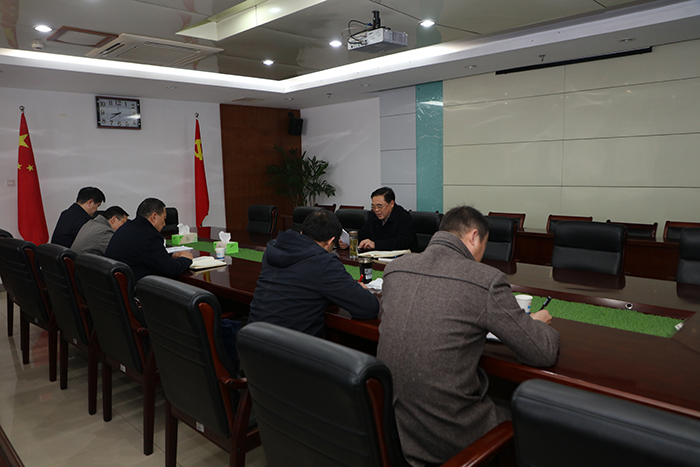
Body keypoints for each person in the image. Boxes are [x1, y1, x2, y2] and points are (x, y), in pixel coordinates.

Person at [377, 205, 560, 467]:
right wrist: (540, 325)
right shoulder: (485, 279)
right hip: (449, 434)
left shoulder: (396, 269)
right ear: (474, 236)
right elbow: (542, 352)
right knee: (535, 421)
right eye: (484, 246)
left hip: (395, 427)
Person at [248, 209, 379, 337]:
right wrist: (354, 289)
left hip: (251, 340)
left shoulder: (274, 249)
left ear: (301, 232)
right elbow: (368, 308)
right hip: (291, 347)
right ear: (330, 242)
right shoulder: (323, 262)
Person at [105, 198, 193, 283]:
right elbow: (171, 270)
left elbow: (152, 257)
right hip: (136, 288)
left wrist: (172, 256)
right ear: (154, 217)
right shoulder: (149, 236)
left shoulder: (126, 227)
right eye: (164, 218)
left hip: (115, 286)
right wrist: (186, 259)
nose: (164, 223)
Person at [357, 186, 416, 251]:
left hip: (402, 256)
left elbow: (403, 241)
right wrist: (354, 241)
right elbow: (362, 234)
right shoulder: (373, 216)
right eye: (373, 206)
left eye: (380, 206)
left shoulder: (404, 217)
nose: (376, 210)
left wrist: (375, 245)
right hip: (377, 255)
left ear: (391, 204)